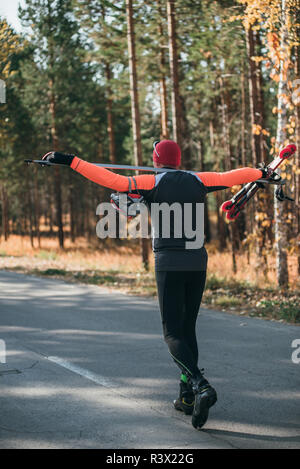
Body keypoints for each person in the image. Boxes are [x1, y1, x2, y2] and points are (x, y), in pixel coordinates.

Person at [41, 140, 267, 430]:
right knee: (187, 330)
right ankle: (186, 398)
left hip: (169, 264)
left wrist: (70, 160)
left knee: (172, 333)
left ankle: (200, 386)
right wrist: (259, 172)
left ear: (155, 160)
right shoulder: (199, 180)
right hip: (198, 263)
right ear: (179, 159)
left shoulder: (149, 182)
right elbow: (231, 176)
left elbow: (111, 179)